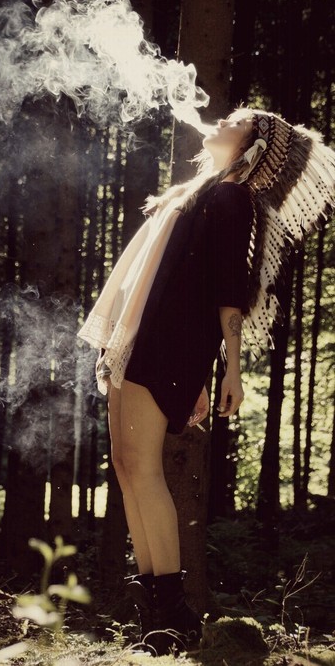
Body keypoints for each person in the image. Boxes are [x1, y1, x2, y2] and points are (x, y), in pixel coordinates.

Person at [78, 107, 335, 655]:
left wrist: (230, 370)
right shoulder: (198, 191)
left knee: (143, 469)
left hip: (170, 342)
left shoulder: (233, 198)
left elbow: (229, 290)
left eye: (238, 120)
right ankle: (154, 608)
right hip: (139, 335)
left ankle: (172, 618)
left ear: (256, 146)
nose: (223, 120)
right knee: (125, 466)